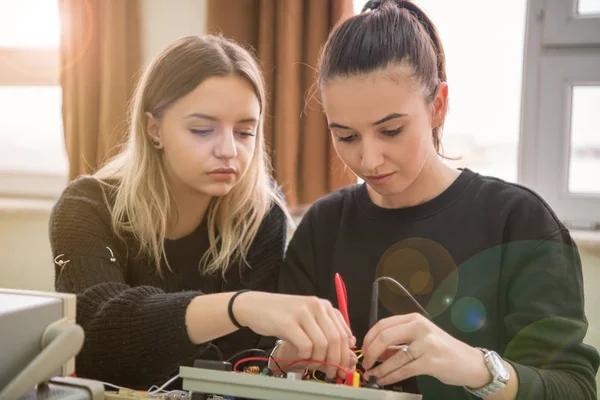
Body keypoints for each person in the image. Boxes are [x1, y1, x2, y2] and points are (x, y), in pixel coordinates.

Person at [277, 1, 600, 399]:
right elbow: (267, 372)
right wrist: (282, 360)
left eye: (391, 130)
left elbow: (574, 389)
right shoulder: (322, 227)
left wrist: (475, 367)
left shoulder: (519, 222)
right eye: (345, 136)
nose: (368, 159)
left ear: (438, 106)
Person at [49, 35, 356, 390]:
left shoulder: (261, 215)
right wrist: (239, 307)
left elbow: (238, 368)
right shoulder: (85, 207)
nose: (229, 150)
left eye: (245, 131)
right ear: (153, 129)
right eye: (202, 130)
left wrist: (283, 359)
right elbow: (94, 331)